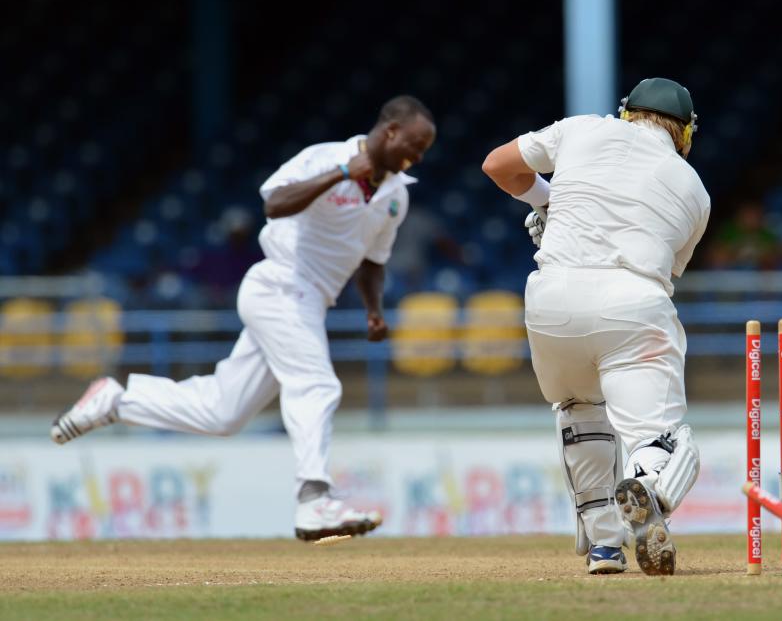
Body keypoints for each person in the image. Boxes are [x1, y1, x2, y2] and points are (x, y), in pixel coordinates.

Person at [51, 95, 437, 541]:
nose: (417, 155)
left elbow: (373, 259)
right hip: (280, 283)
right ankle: (314, 499)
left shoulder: (397, 196)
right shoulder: (327, 157)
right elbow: (274, 203)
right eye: (415, 143)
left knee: (223, 412)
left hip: (309, 301)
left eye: (424, 149)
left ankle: (116, 400)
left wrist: (373, 310)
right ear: (390, 131)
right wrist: (341, 173)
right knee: (316, 384)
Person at [482, 78, 710, 575]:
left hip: (551, 299)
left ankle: (605, 547)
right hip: (632, 303)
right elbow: (667, 265)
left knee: (579, 410)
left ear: (627, 112)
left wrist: (546, 203)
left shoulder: (583, 129)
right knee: (661, 437)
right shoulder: (695, 190)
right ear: (686, 133)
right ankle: (648, 487)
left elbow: (497, 165)